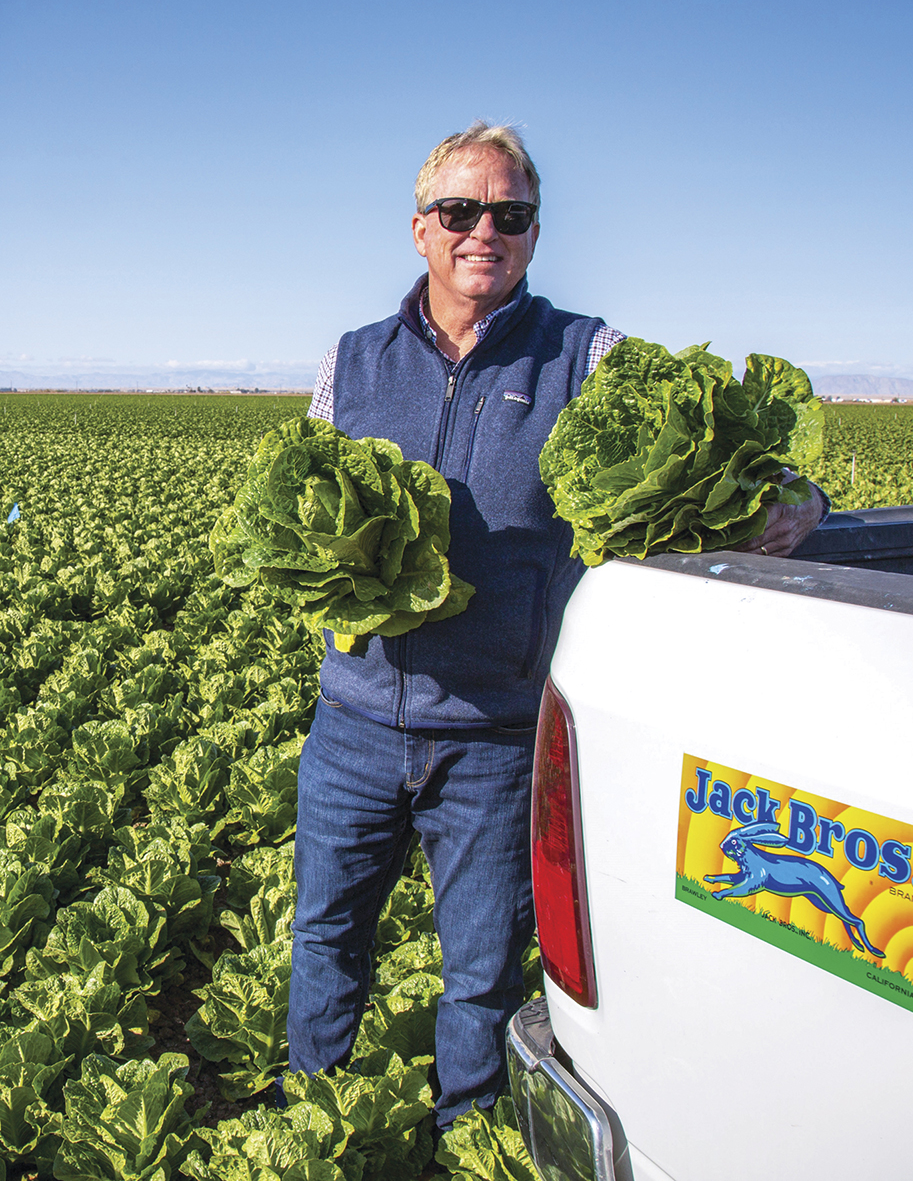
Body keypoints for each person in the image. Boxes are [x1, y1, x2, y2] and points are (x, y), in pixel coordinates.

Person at [288, 122, 825, 1129]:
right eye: (460, 210)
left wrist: (800, 500)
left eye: (510, 214)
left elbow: (717, 442)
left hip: (497, 735)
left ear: (534, 233)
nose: (483, 231)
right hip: (353, 724)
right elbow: (295, 496)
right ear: (420, 228)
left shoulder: (587, 355)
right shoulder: (352, 362)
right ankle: (311, 1120)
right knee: (323, 937)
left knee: (483, 971)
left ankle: (467, 1136)